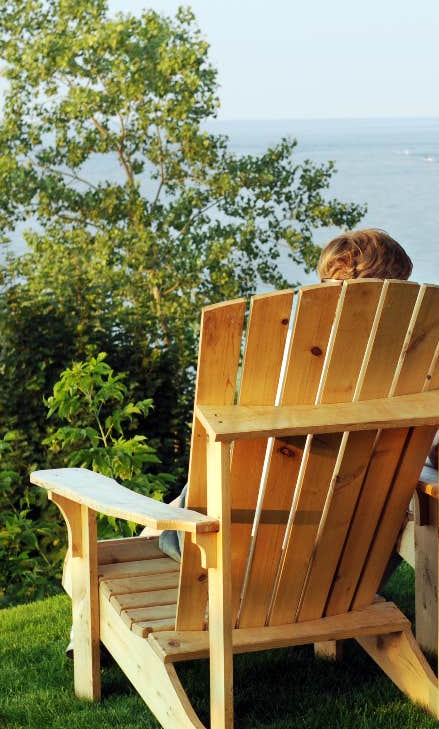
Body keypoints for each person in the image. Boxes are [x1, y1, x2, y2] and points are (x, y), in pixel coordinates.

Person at [156, 228, 413, 561]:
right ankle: (173, 513)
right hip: (358, 551)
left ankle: (166, 522)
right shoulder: (414, 353)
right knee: (190, 497)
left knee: (195, 494)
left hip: (267, 532)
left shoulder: (303, 345)